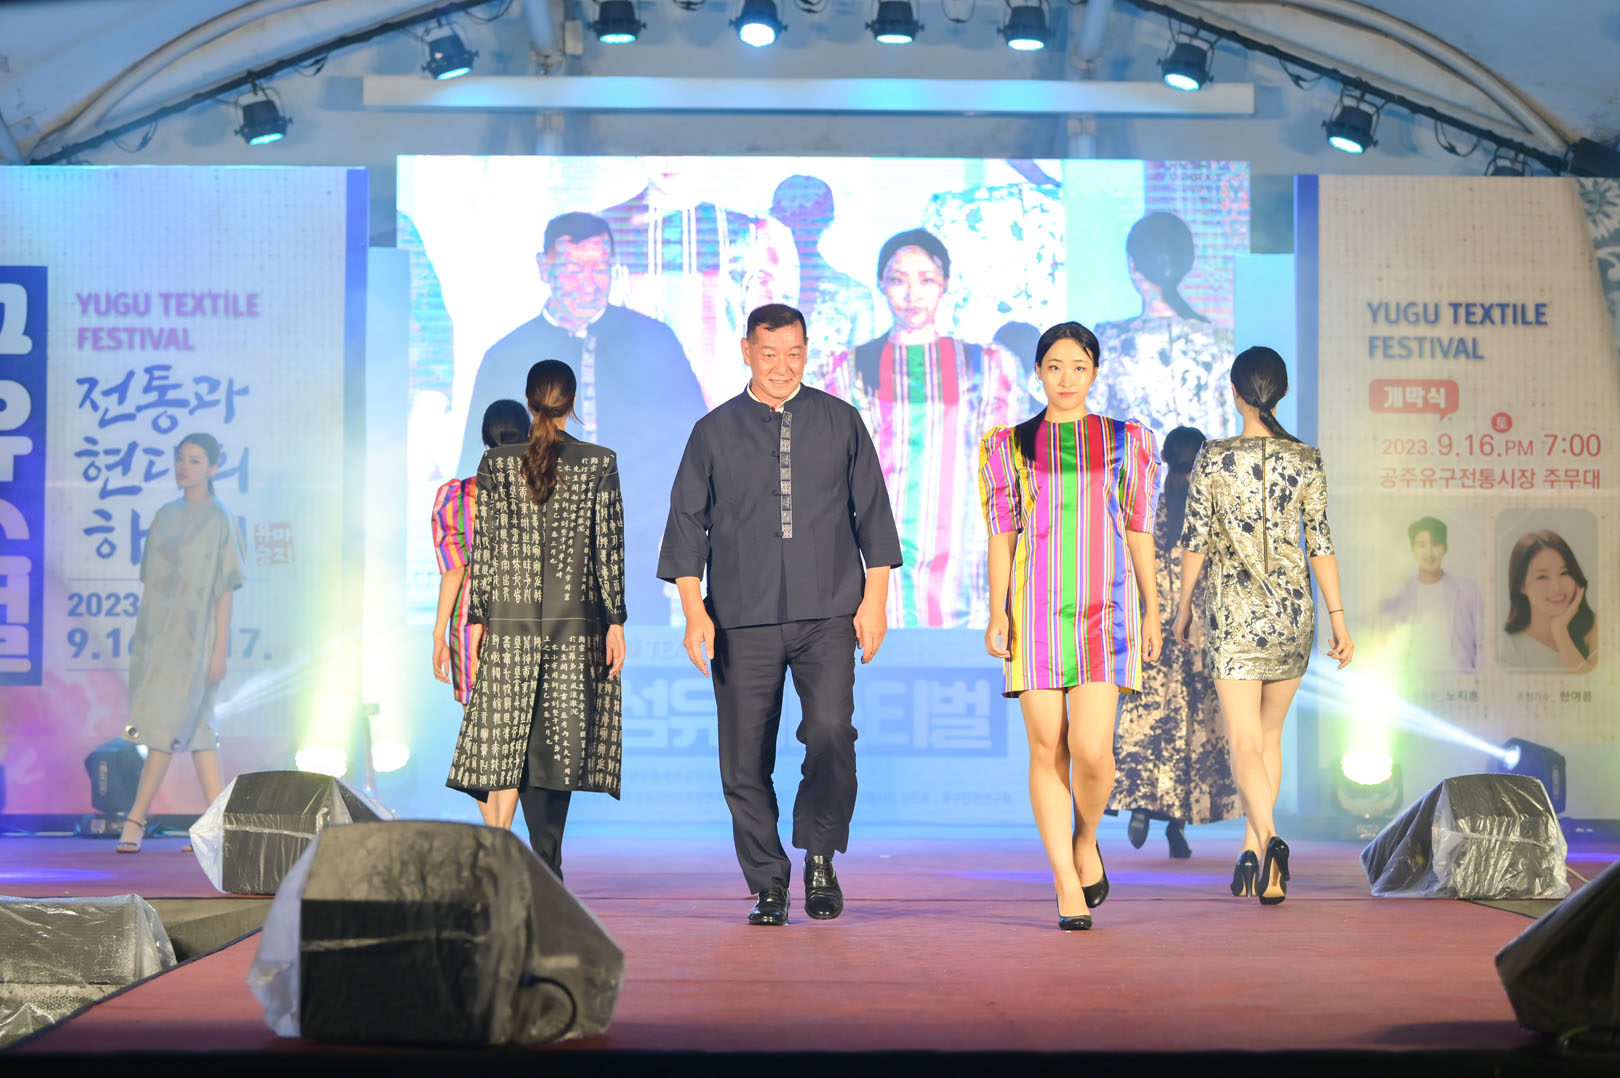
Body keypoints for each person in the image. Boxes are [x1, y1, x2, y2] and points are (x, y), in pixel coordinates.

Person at [659, 303, 901, 926]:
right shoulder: (713, 431)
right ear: (746, 351)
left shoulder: (840, 421)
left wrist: (874, 601)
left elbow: (874, 515)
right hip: (741, 615)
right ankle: (768, 880)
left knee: (831, 731)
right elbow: (686, 525)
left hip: (829, 612)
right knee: (744, 758)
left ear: (807, 351)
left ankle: (820, 856)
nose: (782, 366)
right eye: (769, 354)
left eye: (794, 353)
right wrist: (693, 611)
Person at [979, 322, 1162, 930]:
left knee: (1091, 750)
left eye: (1078, 367)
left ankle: (1086, 840)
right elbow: (1003, 533)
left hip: (1103, 610)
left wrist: (1153, 606)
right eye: (1054, 366)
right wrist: (997, 610)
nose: (1066, 378)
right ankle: (1065, 880)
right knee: (1045, 747)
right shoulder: (1010, 444)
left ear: (1094, 372)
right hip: (1033, 611)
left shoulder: (1124, 440)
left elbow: (1138, 527)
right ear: (1038, 371)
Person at [458, 212, 708, 626]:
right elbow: (478, 466)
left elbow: (695, 444)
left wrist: (683, 535)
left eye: (600, 268)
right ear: (544, 268)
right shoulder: (507, 354)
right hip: (538, 553)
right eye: (574, 269)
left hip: (636, 543)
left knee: (636, 651)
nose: (589, 282)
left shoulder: (653, 341)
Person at [1173, 346, 1353, 906]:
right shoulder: (1307, 459)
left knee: (1245, 740)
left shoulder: (1213, 457)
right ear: (1283, 391)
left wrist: (1183, 607)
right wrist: (1339, 619)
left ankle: (1269, 837)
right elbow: (1320, 543)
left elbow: (1195, 539)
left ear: (1235, 393)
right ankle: (1259, 859)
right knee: (1270, 737)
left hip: (1233, 614)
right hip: (1294, 614)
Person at [447, 361, 627, 879]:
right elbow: (609, 548)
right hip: (576, 624)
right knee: (559, 740)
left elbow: (485, 549)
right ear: (573, 402)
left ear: (530, 402)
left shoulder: (496, 465)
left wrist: (477, 619)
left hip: (509, 621)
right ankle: (547, 859)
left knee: (511, 738)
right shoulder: (599, 462)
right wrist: (616, 620)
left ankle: (537, 864)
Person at [813, 228, 1029, 629]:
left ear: (945, 283)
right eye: (898, 280)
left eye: (926, 280)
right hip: (872, 549)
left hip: (962, 556)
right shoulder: (847, 368)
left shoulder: (986, 366)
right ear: (881, 284)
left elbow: (1003, 469)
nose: (912, 294)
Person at [1111, 426, 1240, 858]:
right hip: (1199, 639)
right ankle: (1178, 825)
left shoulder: (1147, 511)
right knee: (1191, 729)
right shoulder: (1214, 513)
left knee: (1146, 723)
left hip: (1151, 634)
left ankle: (1141, 806)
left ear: (1163, 459)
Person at [117, 433, 246, 853]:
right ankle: (219, 831)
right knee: (200, 730)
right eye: (180, 459)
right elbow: (152, 585)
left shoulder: (221, 518)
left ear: (212, 468)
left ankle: (136, 818)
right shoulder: (165, 515)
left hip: (197, 641)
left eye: (194, 460)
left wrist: (218, 651)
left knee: (167, 728)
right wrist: (146, 642)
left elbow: (225, 592)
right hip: (159, 638)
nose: (184, 467)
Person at [602, 158, 798, 405]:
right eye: (656, 148)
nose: (668, 160)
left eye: (681, 149)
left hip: (723, 408)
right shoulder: (605, 230)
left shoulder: (751, 233)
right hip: (631, 403)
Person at [432, 399, 531, 828]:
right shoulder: (541, 491)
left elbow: (454, 570)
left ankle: (495, 833)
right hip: (523, 619)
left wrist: (439, 633)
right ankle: (501, 833)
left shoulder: (458, 495)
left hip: (468, 625)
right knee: (512, 737)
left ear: (486, 435)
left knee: (481, 737)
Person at [1093, 212, 1237, 441]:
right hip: (1203, 464)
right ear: (1187, 264)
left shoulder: (1109, 342)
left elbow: (1093, 429)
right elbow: (1230, 424)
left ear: (1133, 265)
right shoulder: (1221, 341)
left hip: (1134, 465)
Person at [768, 175, 877, 372]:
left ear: (826, 220)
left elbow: (861, 375)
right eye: (790, 216)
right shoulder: (750, 289)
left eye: (807, 216)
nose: (797, 227)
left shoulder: (854, 295)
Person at [1379, 516, 1483, 674]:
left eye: (1435, 544)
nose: (1429, 553)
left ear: (1445, 548)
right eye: (1421, 545)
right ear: (1413, 550)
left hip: (1459, 679)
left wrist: (1475, 679)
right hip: (1415, 680)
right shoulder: (1400, 593)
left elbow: (1484, 642)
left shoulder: (1468, 590)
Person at [1499, 530, 1598, 673]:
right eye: (1542, 577)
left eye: (1564, 573)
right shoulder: (1507, 648)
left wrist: (1560, 631)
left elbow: (1597, 684)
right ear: (1521, 585)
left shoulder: (1595, 629)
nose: (1556, 587)